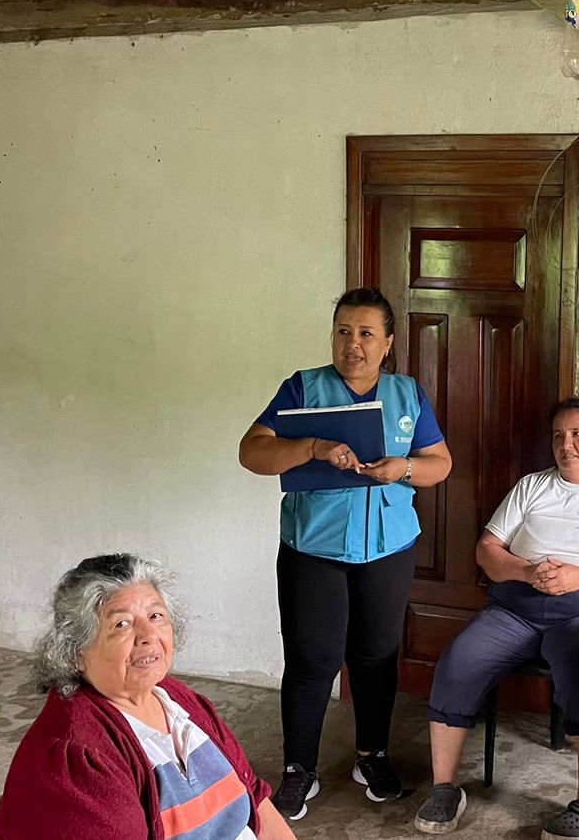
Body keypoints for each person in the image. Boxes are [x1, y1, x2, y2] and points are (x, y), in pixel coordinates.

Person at [238, 287, 453, 820]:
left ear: (388, 343)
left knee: (376, 654)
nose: (352, 344)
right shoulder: (303, 388)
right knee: (312, 660)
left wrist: (403, 468)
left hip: (388, 548)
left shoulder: (407, 394)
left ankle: (371, 756)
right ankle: (298, 770)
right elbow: (252, 452)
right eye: (343, 331)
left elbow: (440, 463)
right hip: (313, 548)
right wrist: (311, 447)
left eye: (365, 333)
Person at [413, 398, 579, 840]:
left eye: (578, 435)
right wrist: (527, 571)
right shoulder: (531, 487)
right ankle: (444, 788)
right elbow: (487, 550)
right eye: (558, 436)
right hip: (518, 609)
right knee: (460, 659)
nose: (566, 445)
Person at [0, 554, 295, 839]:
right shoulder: (78, 756)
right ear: (76, 652)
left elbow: (254, 797)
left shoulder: (179, 701)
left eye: (156, 615)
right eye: (121, 624)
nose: (149, 635)